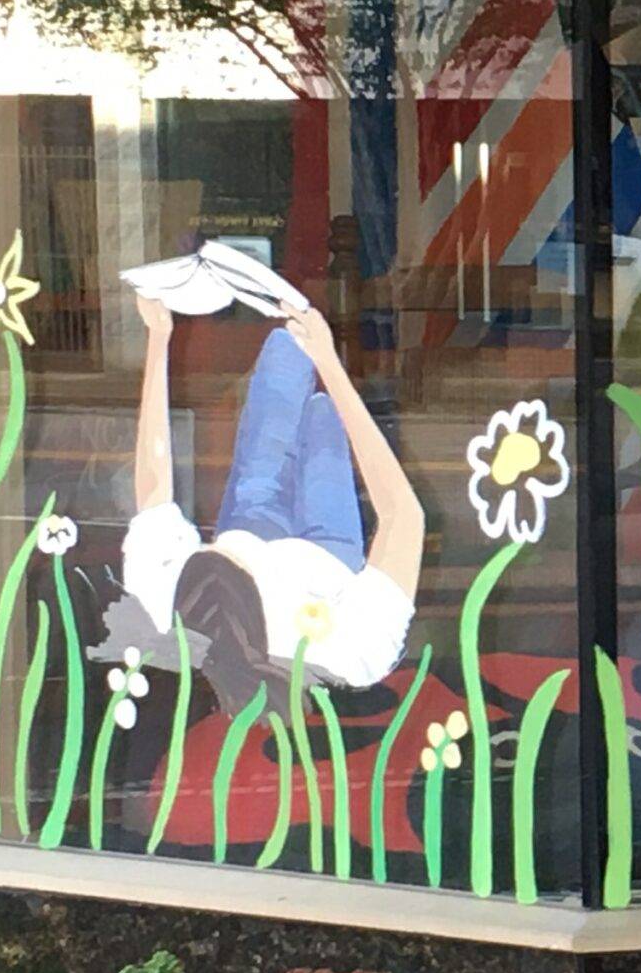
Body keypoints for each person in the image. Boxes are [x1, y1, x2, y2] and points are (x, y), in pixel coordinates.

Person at [121, 282, 423, 717]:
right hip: (329, 551)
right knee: (323, 416)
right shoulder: (344, 657)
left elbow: (153, 484)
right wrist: (331, 367)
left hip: (253, 513)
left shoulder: (162, 606)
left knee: (286, 351)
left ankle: (304, 354)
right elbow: (403, 516)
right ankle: (318, 382)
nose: (260, 563)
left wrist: (159, 336)